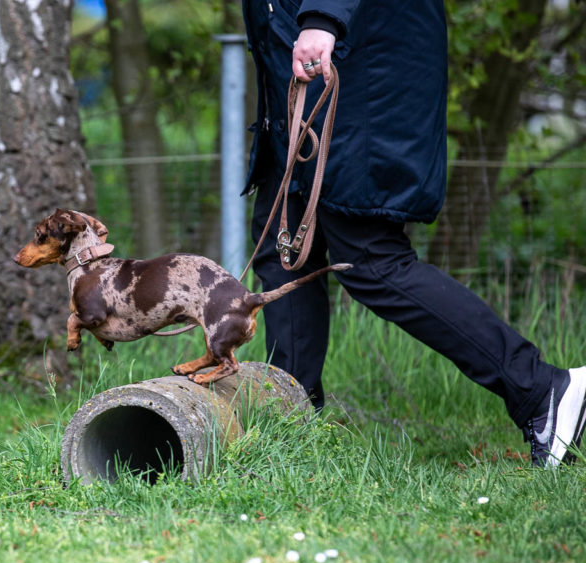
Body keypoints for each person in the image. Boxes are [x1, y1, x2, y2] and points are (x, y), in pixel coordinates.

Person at [241, 0, 585, 466]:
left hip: (359, 73)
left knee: (372, 262)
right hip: (313, 78)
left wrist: (324, 17)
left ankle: (542, 389)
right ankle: (290, 425)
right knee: (285, 257)